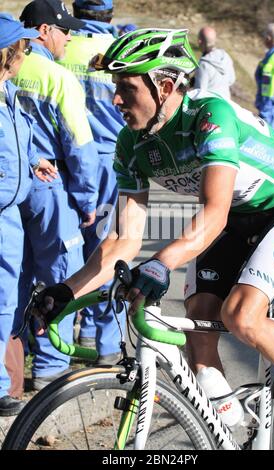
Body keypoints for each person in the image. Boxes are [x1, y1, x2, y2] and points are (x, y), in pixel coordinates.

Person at [35, 29, 274, 387]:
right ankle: (220, 427)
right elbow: (122, 239)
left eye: (127, 88)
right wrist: (67, 291)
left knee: (242, 316)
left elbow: (215, 210)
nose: (115, 100)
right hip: (234, 218)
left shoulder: (209, 115)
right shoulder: (131, 143)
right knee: (199, 320)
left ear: (164, 87)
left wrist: (162, 261)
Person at [13, 0, 99, 391]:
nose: (69, 37)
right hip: (52, 189)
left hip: (13, 185)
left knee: (15, 277)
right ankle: (49, 368)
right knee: (60, 276)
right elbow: (80, 147)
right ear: (44, 31)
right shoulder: (59, 78)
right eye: (64, 30)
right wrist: (87, 201)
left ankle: (13, 363)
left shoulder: (7, 68)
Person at [58, 0, 125, 361]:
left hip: (68, 163)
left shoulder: (62, 50)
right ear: (110, 15)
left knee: (67, 250)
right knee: (109, 251)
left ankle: (60, 337)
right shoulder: (117, 51)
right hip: (115, 163)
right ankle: (107, 344)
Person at [0, 13, 56, 415]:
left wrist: (34, 159)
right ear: (7, 55)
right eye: (21, 47)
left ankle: (2, 383)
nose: (27, 51)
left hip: (10, 214)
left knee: (6, 300)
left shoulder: (10, 93)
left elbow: (20, 135)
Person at [194, 26, 235, 99]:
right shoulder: (225, 57)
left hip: (210, 106)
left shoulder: (203, 64)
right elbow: (231, 80)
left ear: (200, 41)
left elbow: (199, 92)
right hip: (227, 103)